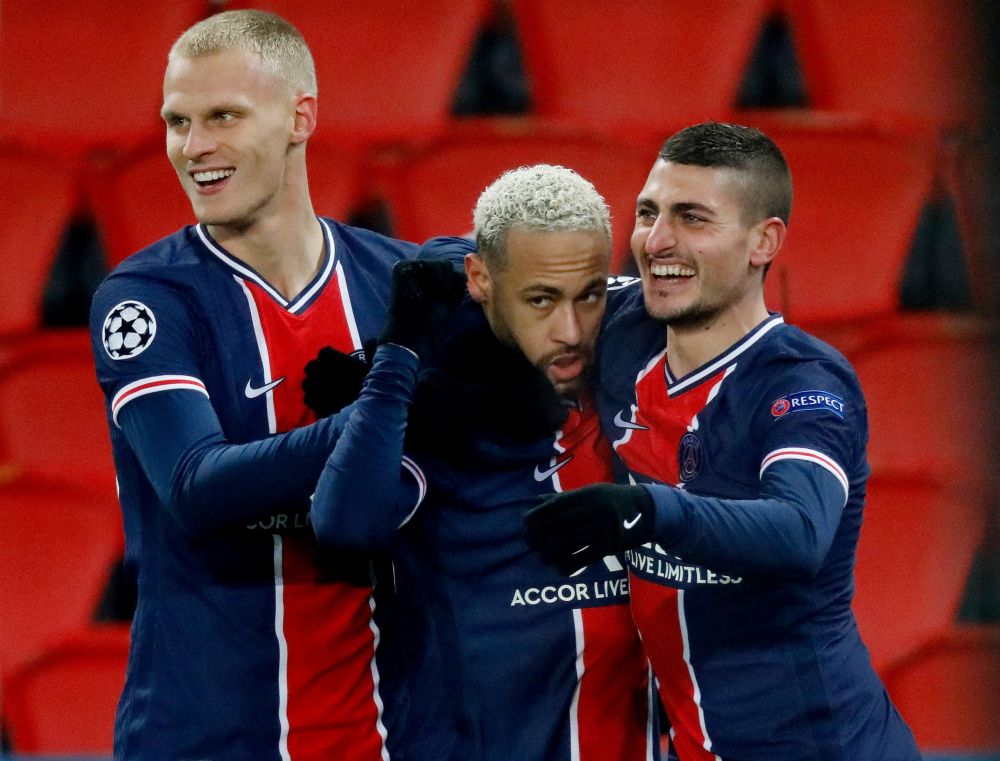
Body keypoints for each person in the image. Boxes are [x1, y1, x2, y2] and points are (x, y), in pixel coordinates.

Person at [88, 10, 462, 761]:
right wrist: (386, 407)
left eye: (223, 115)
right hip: (200, 743)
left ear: (301, 117)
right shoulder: (147, 299)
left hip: (384, 739)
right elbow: (196, 487)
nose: (194, 148)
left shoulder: (396, 284)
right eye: (177, 122)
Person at [524, 123, 922, 761]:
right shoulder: (628, 329)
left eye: (692, 218)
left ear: (763, 241)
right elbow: (507, 279)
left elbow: (799, 532)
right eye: (648, 212)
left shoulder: (803, 384)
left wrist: (647, 511)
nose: (656, 242)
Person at [305, 165, 658, 761]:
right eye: (540, 299)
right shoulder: (438, 413)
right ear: (481, 280)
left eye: (589, 296)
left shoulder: (645, 378)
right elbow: (344, 524)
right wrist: (395, 361)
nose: (570, 330)